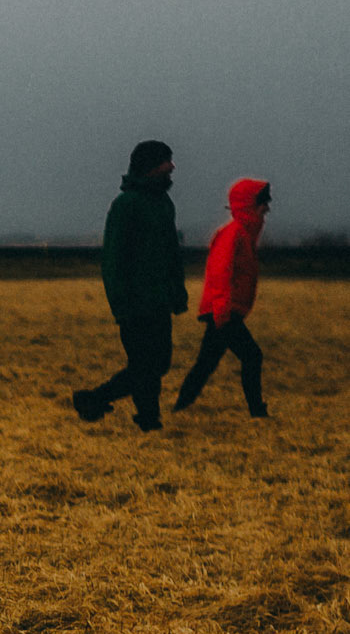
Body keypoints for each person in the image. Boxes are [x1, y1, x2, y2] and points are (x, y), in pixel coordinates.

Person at [73, 140, 186, 432]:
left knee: (156, 364)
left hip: (159, 300)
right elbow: (113, 259)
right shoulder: (126, 206)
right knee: (145, 365)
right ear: (150, 165)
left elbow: (171, 252)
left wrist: (177, 290)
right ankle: (146, 418)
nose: (171, 166)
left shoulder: (163, 203)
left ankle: (97, 400)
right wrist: (121, 304)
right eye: (165, 160)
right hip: (135, 303)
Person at [172, 179, 271, 419]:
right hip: (224, 310)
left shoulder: (243, 234)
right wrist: (221, 309)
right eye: (262, 203)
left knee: (206, 363)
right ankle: (257, 412)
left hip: (225, 309)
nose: (267, 208)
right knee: (251, 356)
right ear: (249, 206)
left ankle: (180, 408)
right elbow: (219, 272)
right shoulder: (233, 234)